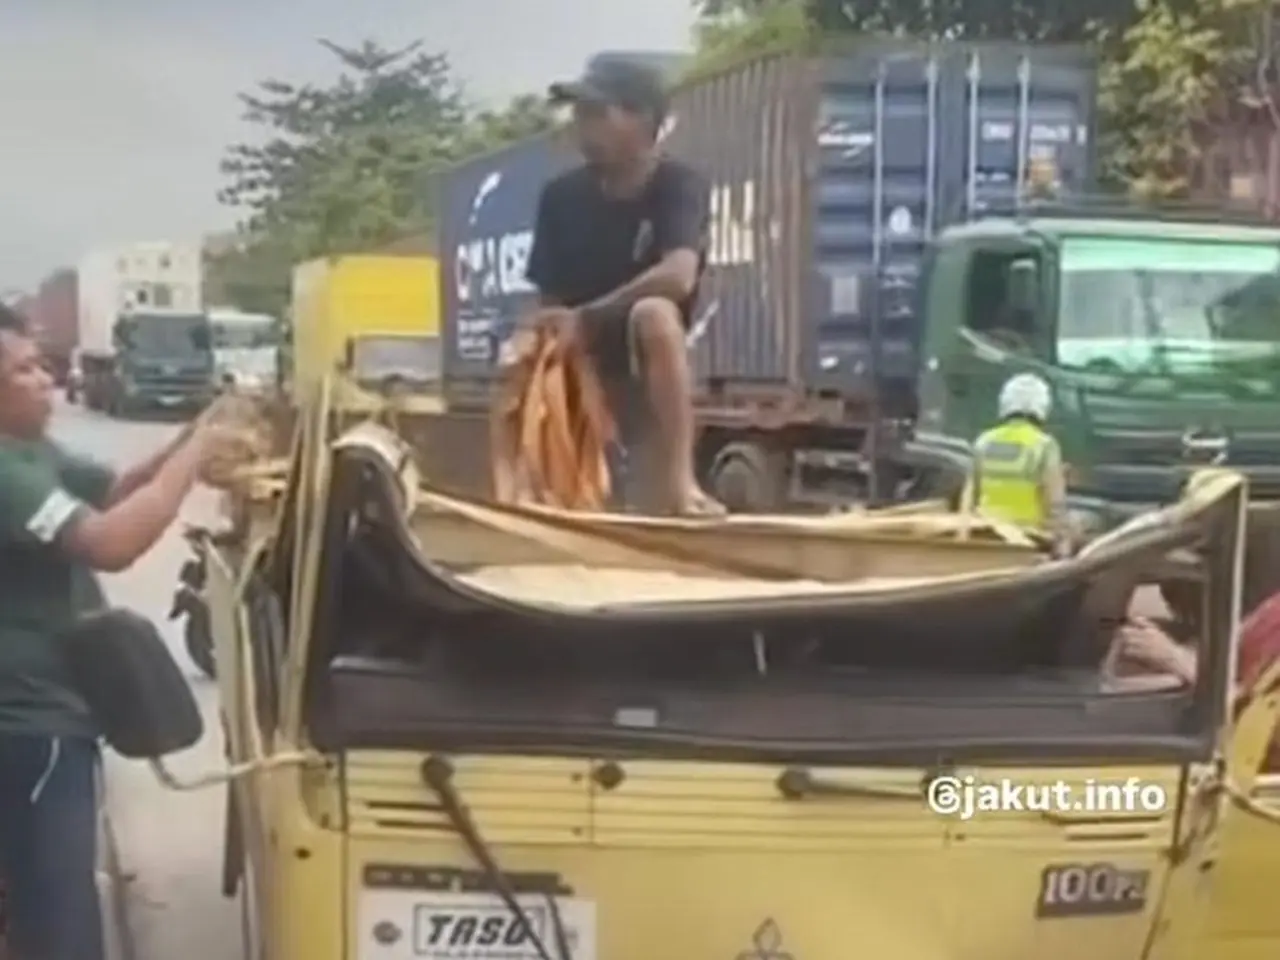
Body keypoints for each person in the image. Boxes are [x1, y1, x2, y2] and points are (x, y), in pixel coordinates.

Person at [0, 302, 230, 960]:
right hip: (29, 723)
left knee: (45, 895)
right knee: (58, 908)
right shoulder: (4, 475)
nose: (46, 380)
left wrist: (189, 438)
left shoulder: (31, 452)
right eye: (24, 372)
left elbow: (113, 491)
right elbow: (109, 543)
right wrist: (194, 465)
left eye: (42, 366)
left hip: (49, 713)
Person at [515, 57, 723, 515]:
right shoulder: (560, 196)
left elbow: (678, 275)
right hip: (578, 349)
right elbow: (549, 297)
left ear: (641, 118)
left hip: (643, 350)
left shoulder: (678, 185)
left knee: (655, 313)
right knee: (525, 346)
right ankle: (539, 487)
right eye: (579, 115)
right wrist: (544, 338)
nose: (582, 127)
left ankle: (681, 482)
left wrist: (587, 315)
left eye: (596, 113)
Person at [967, 372, 1070, 552]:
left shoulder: (984, 441)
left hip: (985, 531)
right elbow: (1054, 503)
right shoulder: (1044, 445)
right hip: (1028, 535)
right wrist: (1061, 545)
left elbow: (971, 494)